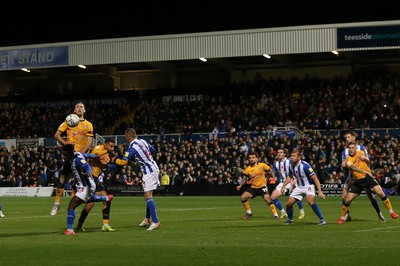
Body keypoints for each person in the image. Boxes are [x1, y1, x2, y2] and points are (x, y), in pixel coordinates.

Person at [337, 142, 398, 223]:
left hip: (368, 178)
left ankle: (392, 212)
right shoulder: (348, 159)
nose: (351, 149)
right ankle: (342, 217)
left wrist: (365, 158)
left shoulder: (361, 153)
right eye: (350, 148)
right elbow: (353, 167)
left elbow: (368, 161)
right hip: (358, 181)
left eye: (352, 148)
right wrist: (364, 171)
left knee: (381, 193)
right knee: (347, 200)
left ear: (355, 148)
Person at [50, 101, 93, 216]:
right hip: (70, 155)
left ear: (84, 110)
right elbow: (56, 135)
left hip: (81, 156)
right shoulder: (68, 121)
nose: (79, 108)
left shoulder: (88, 124)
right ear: (74, 110)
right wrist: (65, 144)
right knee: (63, 178)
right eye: (77, 107)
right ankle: (57, 203)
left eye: (81, 107)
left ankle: (75, 204)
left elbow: (89, 140)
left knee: (79, 182)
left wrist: (82, 153)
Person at [75, 138, 128, 232]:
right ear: (106, 145)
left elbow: (120, 162)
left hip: (96, 180)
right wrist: (107, 155)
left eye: (113, 147)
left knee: (107, 199)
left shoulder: (108, 154)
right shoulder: (98, 148)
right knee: (90, 204)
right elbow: (98, 158)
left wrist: (125, 156)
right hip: (89, 178)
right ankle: (79, 226)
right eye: (110, 146)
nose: (112, 148)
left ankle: (105, 224)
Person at [61, 144, 113, 235]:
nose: (63, 156)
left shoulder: (77, 159)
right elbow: (88, 155)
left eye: (65, 154)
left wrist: (88, 173)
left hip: (85, 185)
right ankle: (106, 198)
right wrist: (96, 156)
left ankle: (70, 230)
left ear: (69, 152)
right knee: (88, 199)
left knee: (71, 205)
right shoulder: (78, 154)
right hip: (86, 184)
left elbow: (87, 166)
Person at [341, 131, 386, 222]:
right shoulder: (344, 151)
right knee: (344, 196)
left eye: (348, 137)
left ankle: (379, 213)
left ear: (353, 138)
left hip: (362, 175)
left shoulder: (361, 148)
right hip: (351, 175)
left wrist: (367, 172)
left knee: (370, 196)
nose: (346, 139)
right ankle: (347, 215)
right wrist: (345, 165)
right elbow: (344, 164)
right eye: (346, 138)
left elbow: (367, 161)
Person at [123, 128, 161, 231]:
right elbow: (153, 150)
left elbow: (123, 161)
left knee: (148, 197)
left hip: (149, 172)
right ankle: (147, 219)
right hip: (152, 168)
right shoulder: (142, 141)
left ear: (128, 137)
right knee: (147, 196)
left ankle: (156, 221)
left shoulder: (132, 147)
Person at [281, 149, 326, 225]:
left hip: (308, 186)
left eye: (294, 156)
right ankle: (290, 220)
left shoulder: (305, 166)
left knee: (310, 201)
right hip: (299, 187)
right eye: (291, 156)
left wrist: (320, 191)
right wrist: (283, 186)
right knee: (288, 204)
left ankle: (322, 220)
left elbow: (315, 178)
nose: (292, 157)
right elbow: (289, 176)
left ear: (299, 157)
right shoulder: (291, 165)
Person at [236, 151, 279, 220]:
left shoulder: (262, 165)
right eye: (250, 158)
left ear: (257, 159)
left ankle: (276, 215)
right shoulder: (248, 169)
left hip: (262, 186)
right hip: (254, 187)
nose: (251, 159)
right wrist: (240, 185)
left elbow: (270, 169)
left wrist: (273, 176)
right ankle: (249, 212)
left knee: (268, 200)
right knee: (243, 197)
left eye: (253, 157)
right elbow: (245, 178)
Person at [271, 147, 305, 219]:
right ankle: (283, 212)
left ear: (284, 154)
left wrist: (296, 180)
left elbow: (296, 169)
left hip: (292, 181)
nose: (279, 154)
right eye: (278, 152)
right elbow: (271, 170)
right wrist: (274, 176)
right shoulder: (276, 163)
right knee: (273, 196)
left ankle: (302, 212)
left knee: (296, 196)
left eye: (281, 152)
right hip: (283, 182)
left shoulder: (289, 161)